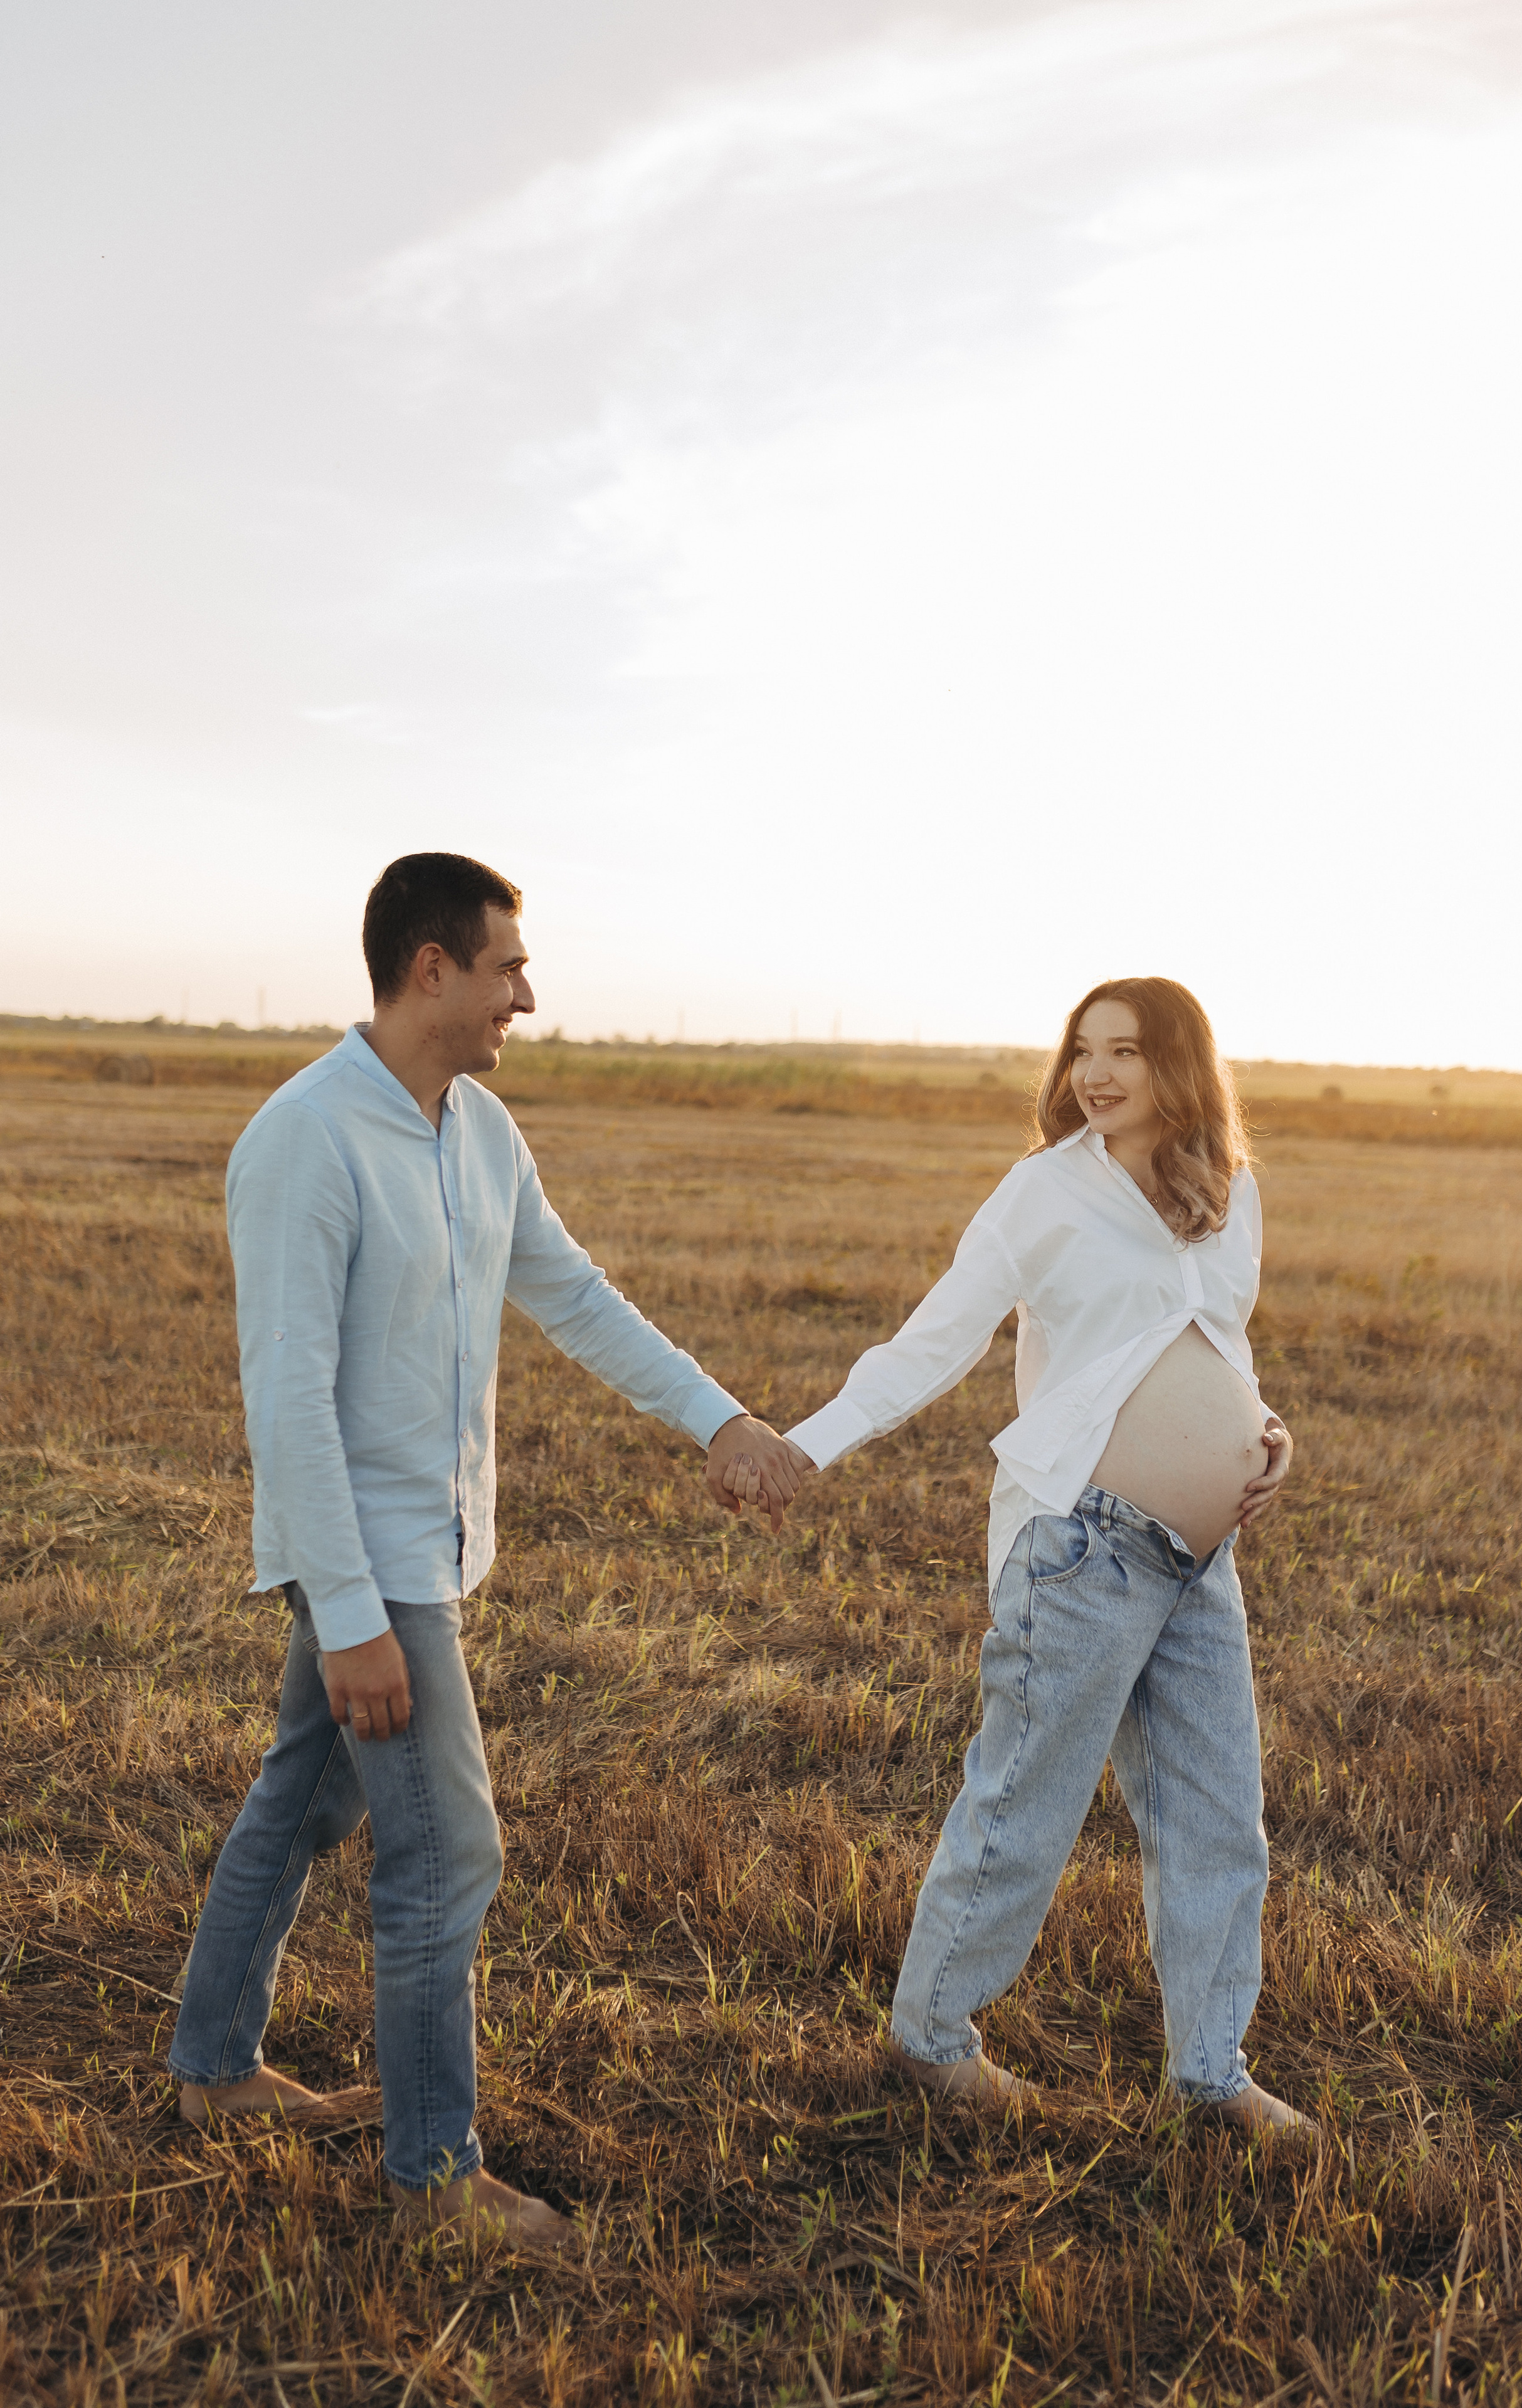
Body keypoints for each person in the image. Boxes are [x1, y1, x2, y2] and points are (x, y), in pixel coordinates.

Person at [168, 852, 800, 2247]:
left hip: (431, 1550)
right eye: (510, 965)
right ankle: (433, 2180)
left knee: (304, 1802)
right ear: (432, 968)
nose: (530, 992)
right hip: (368, 1560)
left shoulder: (478, 1134)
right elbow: (287, 1400)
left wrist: (720, 1421)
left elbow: (574, 1295)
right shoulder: (305, 1139)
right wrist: (347, 1615)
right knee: (445, 1856)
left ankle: (212, 2070)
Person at [731, 978, 1304, 2130]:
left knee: (1216, 1818)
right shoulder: (1042, 1193)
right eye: (1083, 1052)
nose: (1094, 1075)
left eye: (1126, 1053)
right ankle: (931, 2042)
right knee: (1023, 1806)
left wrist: (1266, 1434)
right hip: (1079, 1544)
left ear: (1180, 1067)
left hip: (1202, 1562)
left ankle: (1211, 2072)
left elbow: (1215, 1346)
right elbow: (930, 1344)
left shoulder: (1231, 1193)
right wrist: (805, 1445)